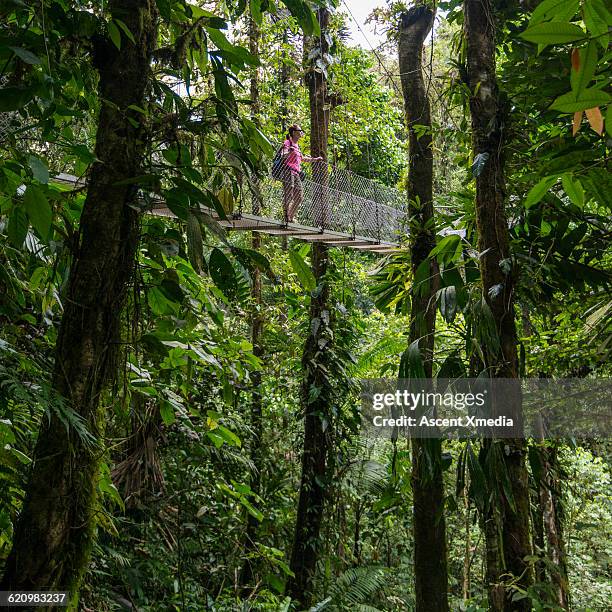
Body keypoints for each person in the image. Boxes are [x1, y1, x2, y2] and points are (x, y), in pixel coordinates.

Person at [280, 124, 322, 222]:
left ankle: (290, 215)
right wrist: (289, 152)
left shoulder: (297, 145)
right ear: (294, 133)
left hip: (296, 173)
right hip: (287, 170)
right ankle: (286, 216)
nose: (301, 132)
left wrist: (315, 160)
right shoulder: (288, 142)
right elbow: (283, 154)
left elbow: (302, 158)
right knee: (288, 194)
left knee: (299, 196)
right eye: (300, 130)